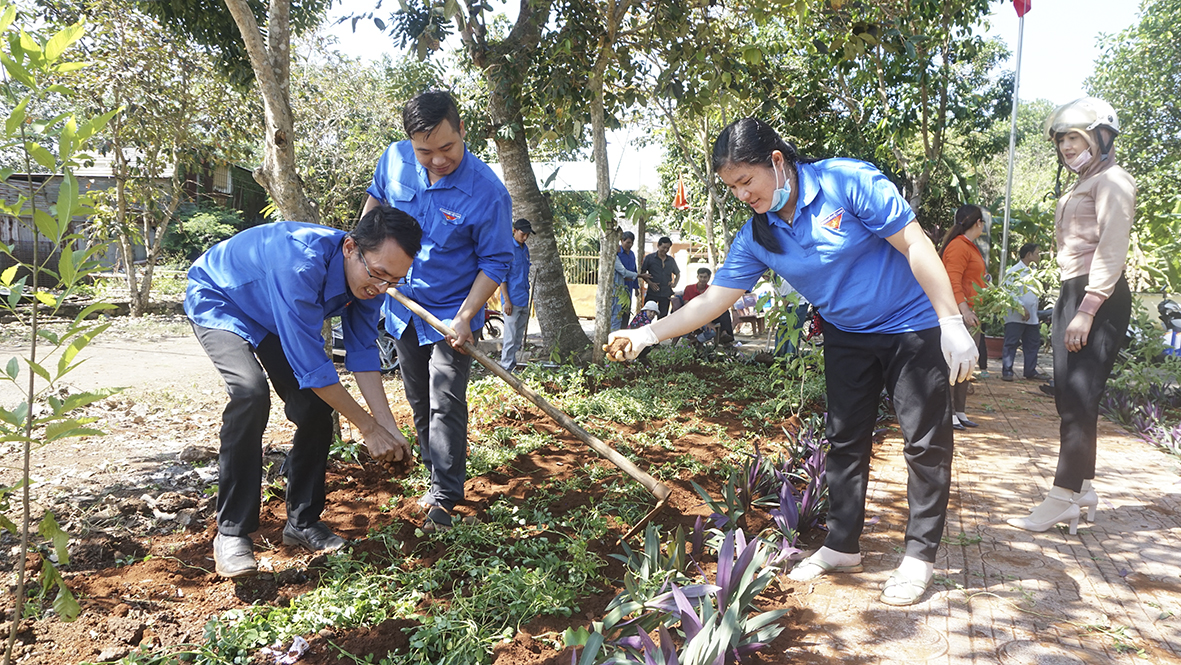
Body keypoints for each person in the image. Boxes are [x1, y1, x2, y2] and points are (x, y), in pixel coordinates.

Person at [606, 117, 977, 606]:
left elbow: (915, 244)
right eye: (731, 188)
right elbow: (715, 299)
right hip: (847, 334)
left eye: (746, 181)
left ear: (777, 162)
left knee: (924, 442)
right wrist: (648, 332)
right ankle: (842, 545)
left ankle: (919, 557)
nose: (742, 195)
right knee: (845, 440)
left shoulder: (847, 181)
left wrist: (949, 321)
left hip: (911, 326)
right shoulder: (759, 235)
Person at [186, 207, 420, 578]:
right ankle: (231, 532)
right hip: (222, 297)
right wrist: (368, 429)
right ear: (349, 248)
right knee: (250, 392)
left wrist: (388, 427)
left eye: (393, 280)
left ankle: (302, 521)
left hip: (269, 313)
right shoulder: (299, 265)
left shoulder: (375, 280)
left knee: (314, 406)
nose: (380, 288)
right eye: (377, 274)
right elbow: (313, 367)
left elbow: (361, 353)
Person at [361, 90, 514, 533]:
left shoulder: (487, 192)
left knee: (445, 397)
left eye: (447, 148)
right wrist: (365, 260)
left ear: (462, 131)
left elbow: (495, 262)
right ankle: (432, 471)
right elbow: (375, 205)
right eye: (425, 151)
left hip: (452, 311)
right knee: (417, 396)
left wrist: (467, 314)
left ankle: (445, 496)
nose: (437, 160)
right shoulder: (394, 160)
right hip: (401, 302)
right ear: (409, 142)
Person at [1007, 97, 1135, 534]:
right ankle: (1082, 490)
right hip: (1073, 292)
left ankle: (1062, 496)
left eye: (1074, 137)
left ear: (1101, 138)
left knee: (1079, 397)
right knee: (1069, 396)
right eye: (1061, 139)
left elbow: (1111, 248)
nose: (1065, 146)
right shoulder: (1082, 183)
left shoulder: (1113, 182)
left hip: (1096, 295)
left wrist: (1087, 309)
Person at [939, 205, 988, 430]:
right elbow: (952, 281)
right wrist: (964, 311)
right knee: (954, 365)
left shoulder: (970, 246)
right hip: (960, 317)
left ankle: (959, 411)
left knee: (967, 364)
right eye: (983, 222)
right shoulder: (959, 246)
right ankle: (948, 413)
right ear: (977, 222)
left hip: (972, 316)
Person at [1001, 243, 1046, 382]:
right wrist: (1021, 307)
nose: (1039, 256)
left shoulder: (1033, 271)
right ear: (1028, 255)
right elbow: (1008, 292)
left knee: (1032, 343)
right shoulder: (1014, 271)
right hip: (1016, 315)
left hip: (1032, 315)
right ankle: (1007, 371)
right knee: (1012, 342)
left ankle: (1030, 370)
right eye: (1037, 253)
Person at [500, 218, 533, 372]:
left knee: (518, 337)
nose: (525, 237)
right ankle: (505, 368)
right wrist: (506, 300)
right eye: (523, 234)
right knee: (510, 337)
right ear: (515, 231)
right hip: (511, 300)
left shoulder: (525, 249)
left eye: (527, 235)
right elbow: (502, 278)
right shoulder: (507, 249)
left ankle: (512, 365)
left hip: (523, 298)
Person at [682, 267, 734, 344]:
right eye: (701, 277)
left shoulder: (711, 289)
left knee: (724, 311)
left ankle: (724, 333)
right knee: (710, 331)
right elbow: (686, 304)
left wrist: (708, 320)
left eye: (705, 277)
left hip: (709, 315)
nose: (703, 279)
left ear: (709, 278)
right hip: (693, 315)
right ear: (697, 277)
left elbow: (713, 306)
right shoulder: (689, 288)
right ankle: (695, 341)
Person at [640, 236, 680, 317]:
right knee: (646, 316)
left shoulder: (671, 260)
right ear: (658, 246)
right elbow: (643, 274)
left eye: (668, 248)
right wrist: (650, 283)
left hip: (666, 293)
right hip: (652, 292)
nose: (665, 250)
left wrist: (674, 283)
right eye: (664, 247)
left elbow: (678, 273)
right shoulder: (649, 258)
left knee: (663, 317)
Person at [612, 232, 641, 330]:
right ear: (622, 241)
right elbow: (623, 272)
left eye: (631, 243)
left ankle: (623, 331)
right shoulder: (617, 254)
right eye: (628, 242)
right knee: (617, 311)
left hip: (629, 286)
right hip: (619, 287)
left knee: (627, 311)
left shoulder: (632, 254)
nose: (630, 245)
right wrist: (640, 276)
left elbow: (634, 270)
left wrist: (636, 287)